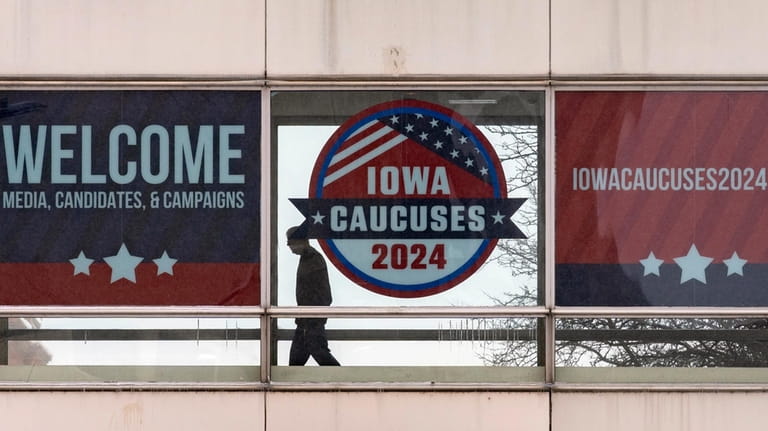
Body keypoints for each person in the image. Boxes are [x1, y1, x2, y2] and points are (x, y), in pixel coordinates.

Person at [286, 226, 340, 366]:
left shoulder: (312, 259)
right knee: (300, 361)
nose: (290, 248)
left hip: (310, 321)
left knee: (315, 355)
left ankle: (344, 381)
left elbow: (322, 294)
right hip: (308, 320)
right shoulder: (309, 258)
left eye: (290, 243)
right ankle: (342, 380)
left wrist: (312, 318)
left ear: (299, 241)